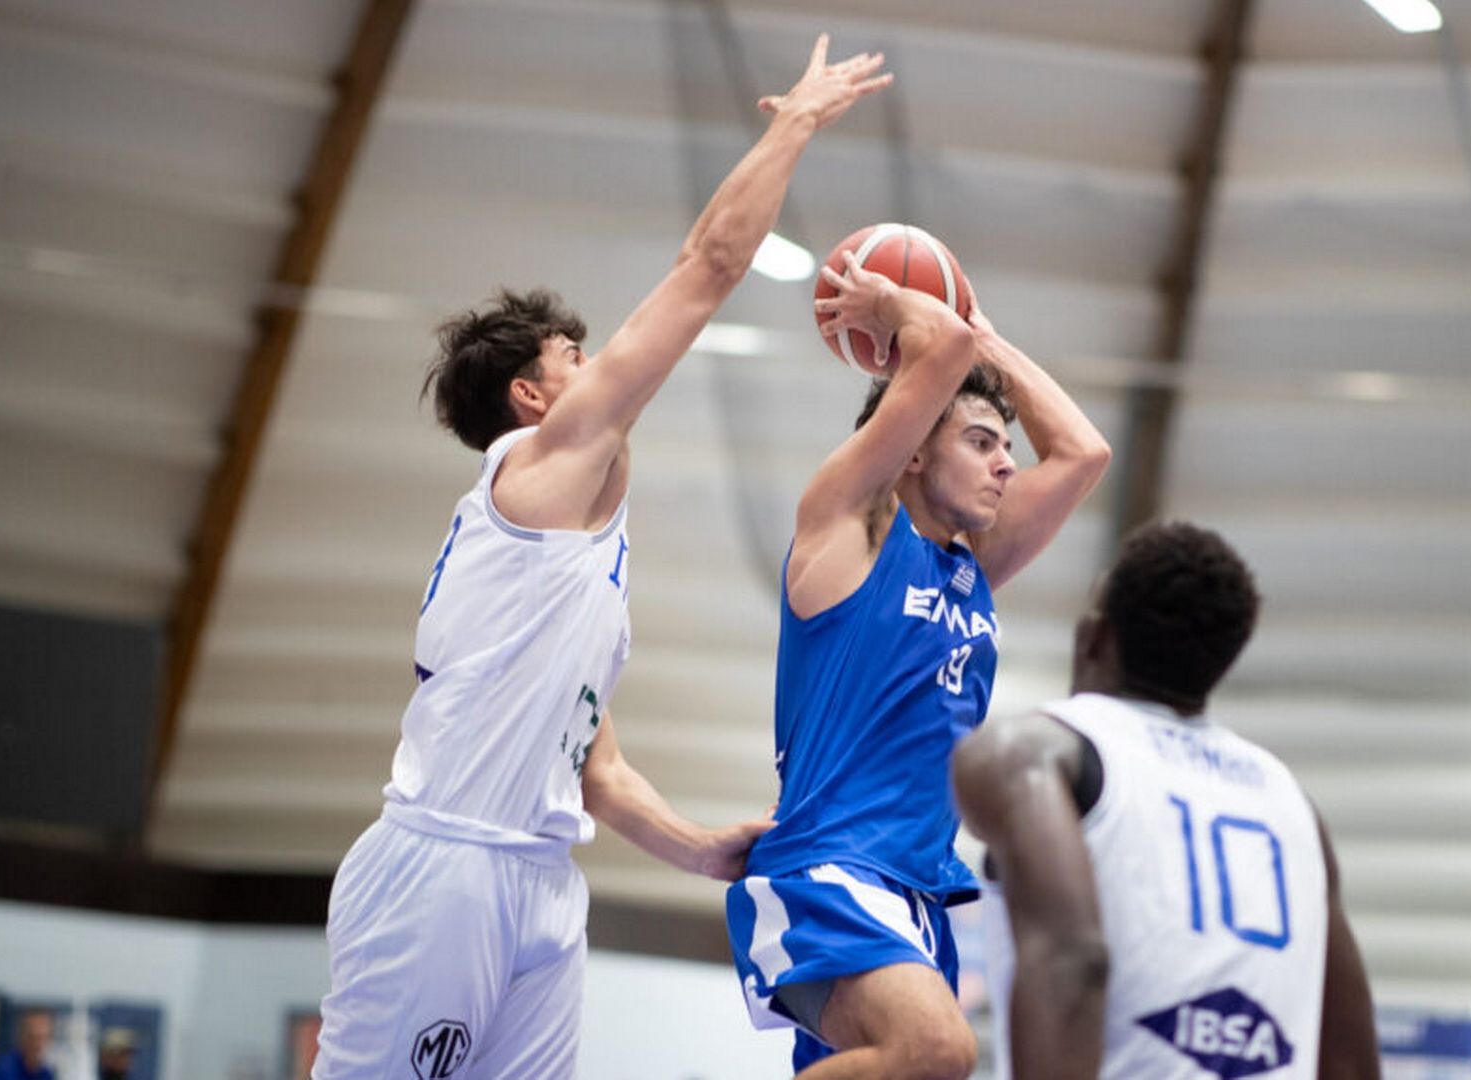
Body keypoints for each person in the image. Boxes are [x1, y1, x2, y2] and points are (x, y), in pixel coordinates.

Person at [311, 34, 893, 1080]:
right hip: (443, 865)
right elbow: (708, 268)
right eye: (575, 358)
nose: (604, 369)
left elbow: (597, 767)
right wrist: (797, 122)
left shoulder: (572, 559)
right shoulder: (537, 471)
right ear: (530, 397)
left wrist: (698, 847)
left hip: (539, 877)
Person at [724, 253, 1112, 1078]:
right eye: (980, 442)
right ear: (910, 454)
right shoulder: (850, 527)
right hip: (828, 868)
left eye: (1006, 446)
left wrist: (990, 344)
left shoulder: (972, 565)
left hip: (919, 891)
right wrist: (893, 299)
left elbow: (1083, 452)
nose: (1007, 463)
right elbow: (939, 347)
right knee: (938, 1049)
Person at [952, 522, 1382, 1080]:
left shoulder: (1030, 751)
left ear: (1094, 637)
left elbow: (1073, 959)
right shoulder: (1291, 801)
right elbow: (1349, 1056)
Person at [0, 1011, 53, 1080]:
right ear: (22, 1038)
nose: (38, 1045)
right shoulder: (5, 1069)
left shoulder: (46, 1073)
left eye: (43, 1038)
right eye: (33, 1038)